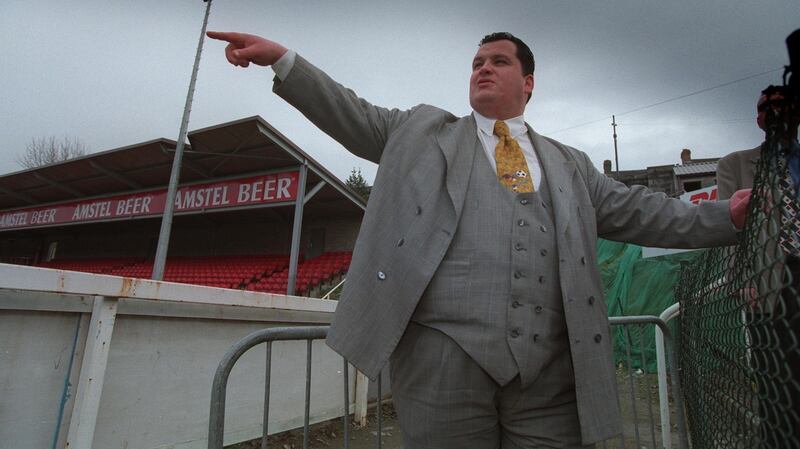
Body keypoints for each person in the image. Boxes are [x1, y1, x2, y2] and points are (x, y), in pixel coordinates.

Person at [207, 30, 751, 448]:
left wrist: (729, 215)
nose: (483, 69)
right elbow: (352, 113)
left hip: (551, 373)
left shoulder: (571, 165)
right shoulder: (422, 131)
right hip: (444, 362)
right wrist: (282, 59)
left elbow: (645, 212)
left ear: (529, 82)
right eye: (476, 63)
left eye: (498, 61)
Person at [716, 86, 800, 449]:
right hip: (770, 279)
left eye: (782, 106)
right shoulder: (736, 164)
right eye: (766, 108)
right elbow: (728, 228)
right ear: (758, 119)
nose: (774, 113)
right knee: (777, 377)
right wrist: (741, 280)